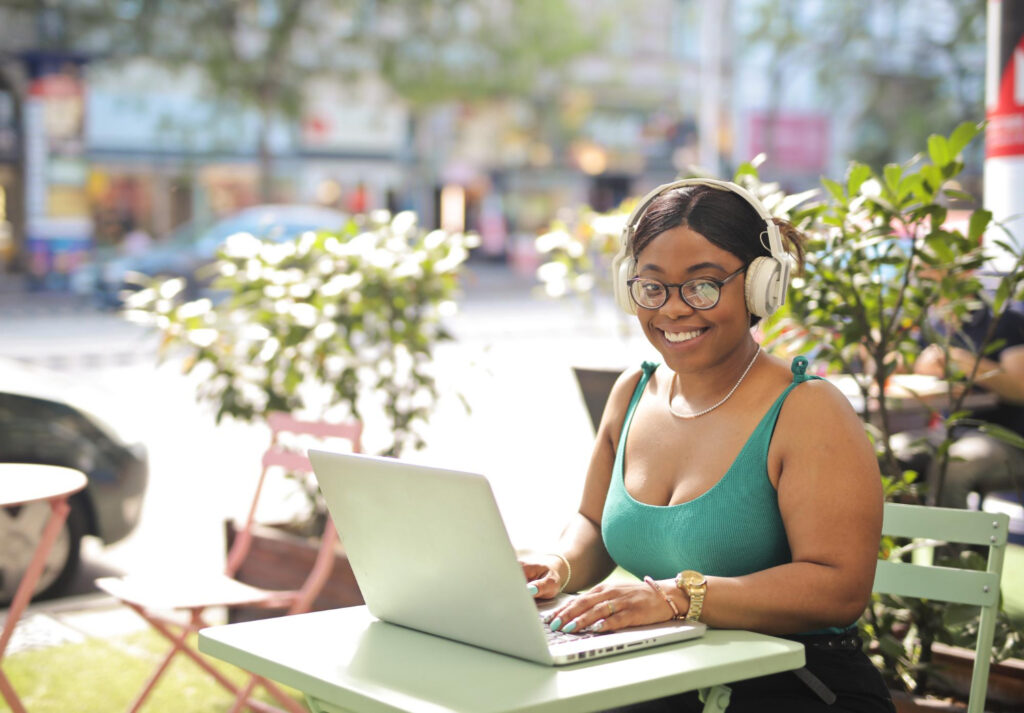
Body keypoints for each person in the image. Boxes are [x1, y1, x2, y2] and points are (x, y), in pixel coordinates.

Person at [520, 179, 894, 712]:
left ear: (762, 286)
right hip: (667, 679)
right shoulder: (633, 391)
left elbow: (839, 587)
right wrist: (556, 567)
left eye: (703, 286)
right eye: (653, 287)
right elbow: (592, 525)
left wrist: (678, 597)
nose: (673, 310)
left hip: (795, 685)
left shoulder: (809, 411)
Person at [893, 297, 1024, 509]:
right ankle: (898, 540)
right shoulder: (933, 322)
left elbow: (1020, 388)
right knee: (889, 454)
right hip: (949, 431)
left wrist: (960, 359)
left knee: (952, 464)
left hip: (1007, 439)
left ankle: (952, 543)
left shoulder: (1004, 318)